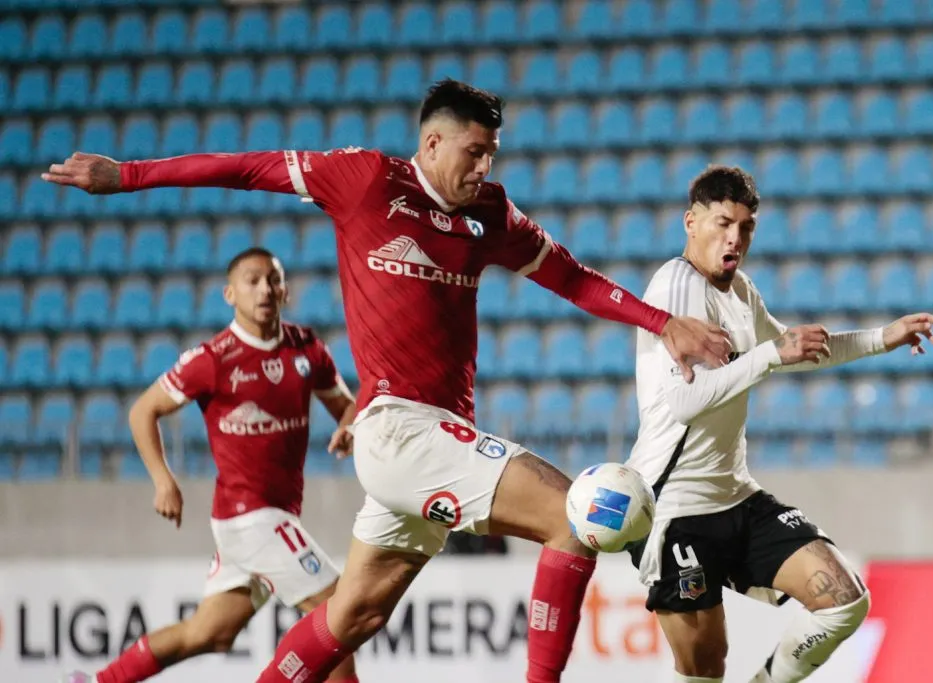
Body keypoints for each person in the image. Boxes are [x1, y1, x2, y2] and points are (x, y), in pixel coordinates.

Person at [44, 79, 732, 683]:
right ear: (431, 144)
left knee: (354, 611)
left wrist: (660, 321)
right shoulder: (366, 180)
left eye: (493, 152)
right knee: (578, 513)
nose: (486, 165)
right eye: (474, 151)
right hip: (399, 428)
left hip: (431, 438)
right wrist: (128, 175)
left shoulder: (489, 212)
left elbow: (572, 277)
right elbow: (245, 168)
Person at [625, 165, 933, 683]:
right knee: (704, 670)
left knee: (844, 601)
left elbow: (795, 350)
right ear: (691, 221)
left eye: (746, 227)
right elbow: (685, 403)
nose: (735, 238)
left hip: (736, 497)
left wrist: (881, 337)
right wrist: (770, 355)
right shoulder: (676, 285)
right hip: (675, 510)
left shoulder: (742, 291)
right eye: (723, 222)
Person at [68, 248, 360, 683]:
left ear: (286, 291)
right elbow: (142, 411)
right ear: (230, 293)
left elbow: (347, 408)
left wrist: (352, 428)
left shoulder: (308, 349)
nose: (265, 288)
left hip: (268, 517)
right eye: (252, 280)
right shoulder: (213, 358)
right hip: (250, 519)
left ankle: (98, 682)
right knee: (337, 612)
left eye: (273, 280)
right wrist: (163, 480)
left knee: (210, 633)